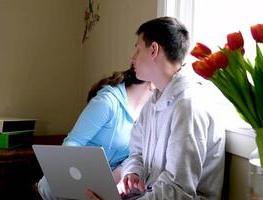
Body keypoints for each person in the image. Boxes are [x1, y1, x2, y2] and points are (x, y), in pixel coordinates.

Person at [87, 16, 225, 200]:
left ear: (153, 50)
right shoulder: (153, 102)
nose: (132, 58)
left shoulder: (188, 106)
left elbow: (178, 191)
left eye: (137, 49)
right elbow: (136, 154)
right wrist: (133, 174)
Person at [37, 66, 154, 200]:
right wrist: (80, 182)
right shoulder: (107, 102)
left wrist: (109, 187)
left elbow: (131, 158)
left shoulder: (148, 114)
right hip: (68, 181)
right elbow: (73, 142)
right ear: (151, 82)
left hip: (102, 186)